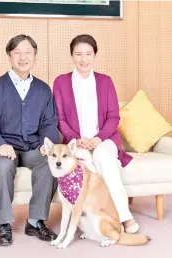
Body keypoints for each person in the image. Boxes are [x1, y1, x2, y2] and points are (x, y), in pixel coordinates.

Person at [0, 34, 59, 246]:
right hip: (0, 147)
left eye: (28, 53)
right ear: (9, 57)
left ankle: (36, 221)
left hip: (32, 148)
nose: (23, 57)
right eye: (17, 53)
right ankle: (4, 224)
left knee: (49, 164)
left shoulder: (43, 89)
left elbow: (50, 122)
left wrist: (45, 144)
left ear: (35, 57)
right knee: (3, 166)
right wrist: (0, 144)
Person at [52, 34, 139, 234]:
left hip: (104, 140)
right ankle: (94, 219)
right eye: (79, 54)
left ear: (95, 55)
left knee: (105, 161)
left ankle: (124, 216)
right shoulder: (61, 82)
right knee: (85, 166)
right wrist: (77, 139)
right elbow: (60, 118)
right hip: (76, 143)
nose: (84, 59)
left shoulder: (105, 81)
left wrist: (98, 139)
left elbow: (113, 117)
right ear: (72, 56)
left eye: (88, 54)